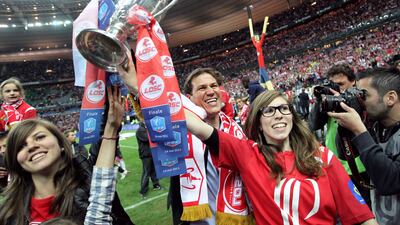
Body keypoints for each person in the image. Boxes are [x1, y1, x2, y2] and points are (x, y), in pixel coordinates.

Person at [184, 90, 377, 225]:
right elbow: (197, 126)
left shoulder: (322, 156)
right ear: (258, 123)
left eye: (284, 109)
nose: (278, 115)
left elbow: (361, 216)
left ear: (292, 116)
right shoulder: (247, 154)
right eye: (269, 110)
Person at [117, 63, 251, 225]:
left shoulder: (235, 128)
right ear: (189, 98)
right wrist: (138, 86)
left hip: (237, 215)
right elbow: (158, 109)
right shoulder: (179, 129)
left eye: (214, 85)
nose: (210, 91)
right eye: (202, 88)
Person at [0, 86, 134, 225]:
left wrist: (111, 122)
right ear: (15, 160)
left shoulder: (88, 178)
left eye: (39, 137)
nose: (32, 146)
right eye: (21, 146)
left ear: (61, 144)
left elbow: (106, 137)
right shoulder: (9, 215)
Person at [328, 67, 400, 225]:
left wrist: (358, 130)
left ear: (390, 98)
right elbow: (346, 154)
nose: (359, 100)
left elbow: (389, 181)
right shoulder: (376, 127)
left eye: (363, 95)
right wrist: (346, 123)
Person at [308, 63, 370, 203]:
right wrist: (321, 100)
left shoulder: (361, 99)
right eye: (334, 85)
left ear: (353, 81)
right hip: (336, 166)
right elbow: (314, 124)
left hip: (362, 166)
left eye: (341, 84)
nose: (338, 89)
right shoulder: (331, 100)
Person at [136, 121, 161, 199]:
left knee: (153, 171)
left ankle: (156, 185)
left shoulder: (144, 129)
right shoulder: (140, 130)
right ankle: (143, 191)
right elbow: (148, 139)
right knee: (146, 173)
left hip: (151, 153)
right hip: (146, 155)